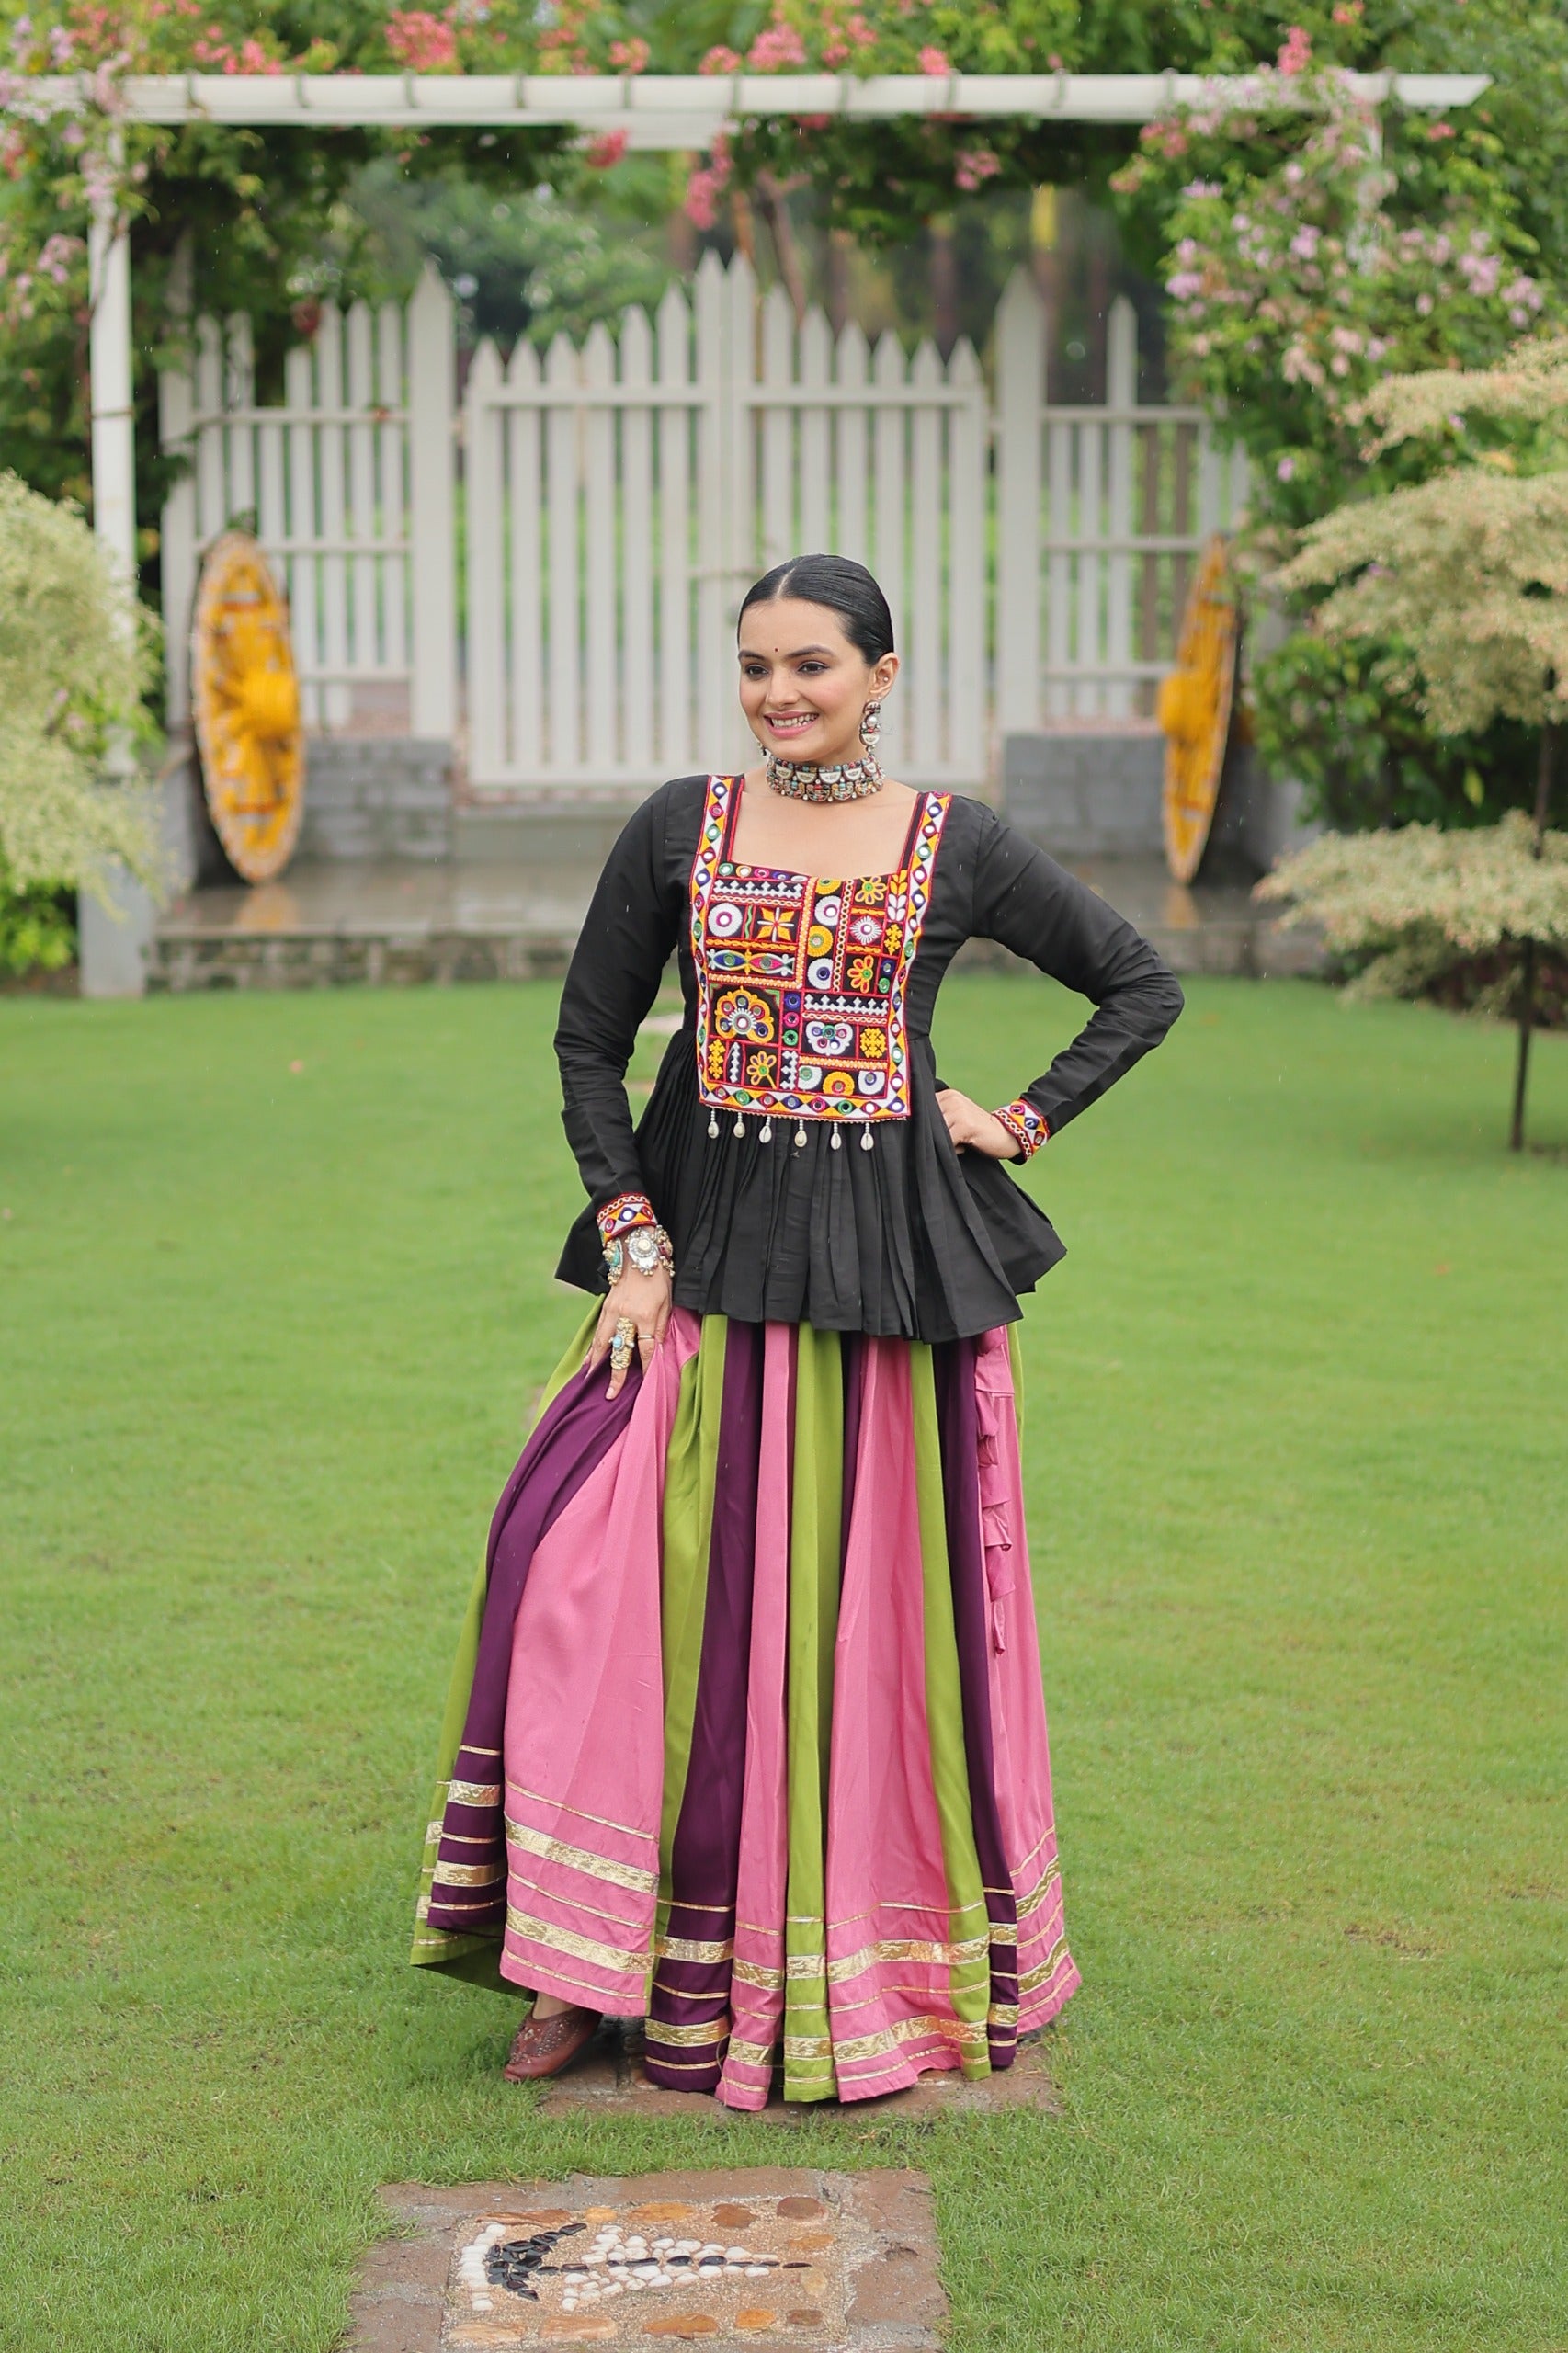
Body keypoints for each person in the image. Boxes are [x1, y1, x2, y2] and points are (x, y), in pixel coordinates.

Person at [411, 551, 1183, 2106]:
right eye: (755, 665)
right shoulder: (677, 826)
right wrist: (632, 1242)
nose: (778, 693)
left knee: (856, 1637)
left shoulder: (953, 840)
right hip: (694, 1271)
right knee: (570, 1569)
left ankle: (845, 1963)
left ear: (879, 677)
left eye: (810, 665)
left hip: (883, 1298)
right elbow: (587, 1040)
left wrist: (1017, 1120)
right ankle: (579, 1953)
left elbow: (1135, 981)